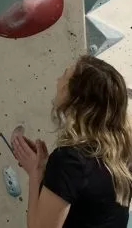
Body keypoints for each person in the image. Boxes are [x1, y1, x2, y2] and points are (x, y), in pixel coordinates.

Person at [13, 55, 132, 228]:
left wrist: (36, 172)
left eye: (64, 75)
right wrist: (48, 169)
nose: (58, 80)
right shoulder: (121, 156)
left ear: (76, 97)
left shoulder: (70, 160)